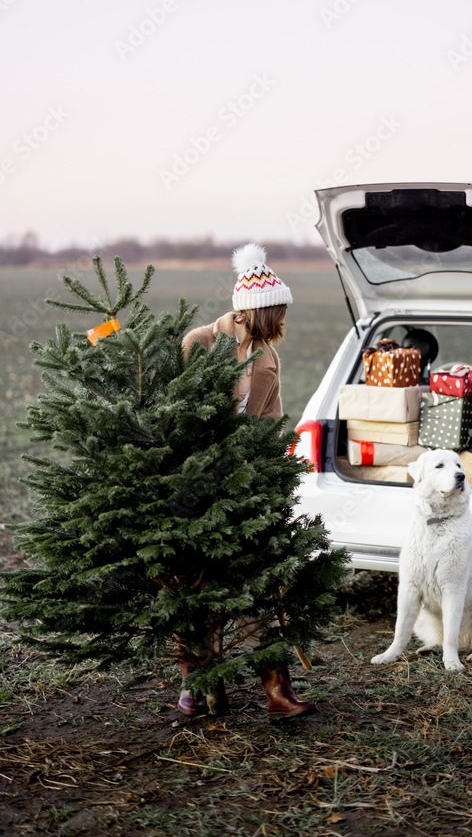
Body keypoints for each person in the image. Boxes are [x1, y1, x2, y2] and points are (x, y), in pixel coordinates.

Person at [177, 243, 316, 718]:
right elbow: (175, 417)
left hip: (246, 487)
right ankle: (195, 687)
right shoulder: (198, 343)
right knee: (196, 589)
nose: (282, 321)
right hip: (199, 489)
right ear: (257, 309)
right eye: (278, 311)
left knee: (259, 587)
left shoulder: (268, 359)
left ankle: (277, 692)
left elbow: (272, 423)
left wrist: (276, 470)